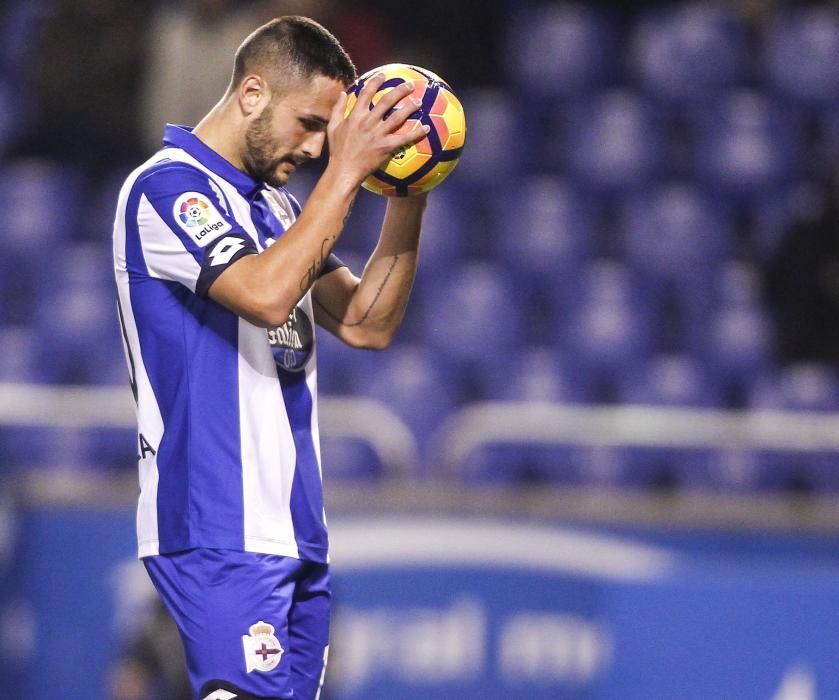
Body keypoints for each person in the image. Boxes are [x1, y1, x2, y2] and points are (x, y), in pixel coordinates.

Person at [112, 15, 430, 700]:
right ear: (252, 93)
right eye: (311, 124)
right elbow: (262, 293)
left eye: (328, 135)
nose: (318, 148)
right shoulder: (168, 190)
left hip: (294, 531)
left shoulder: (278, 210)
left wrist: (409, 187)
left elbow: (369, 322)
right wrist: (345, 174)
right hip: (218, 525)